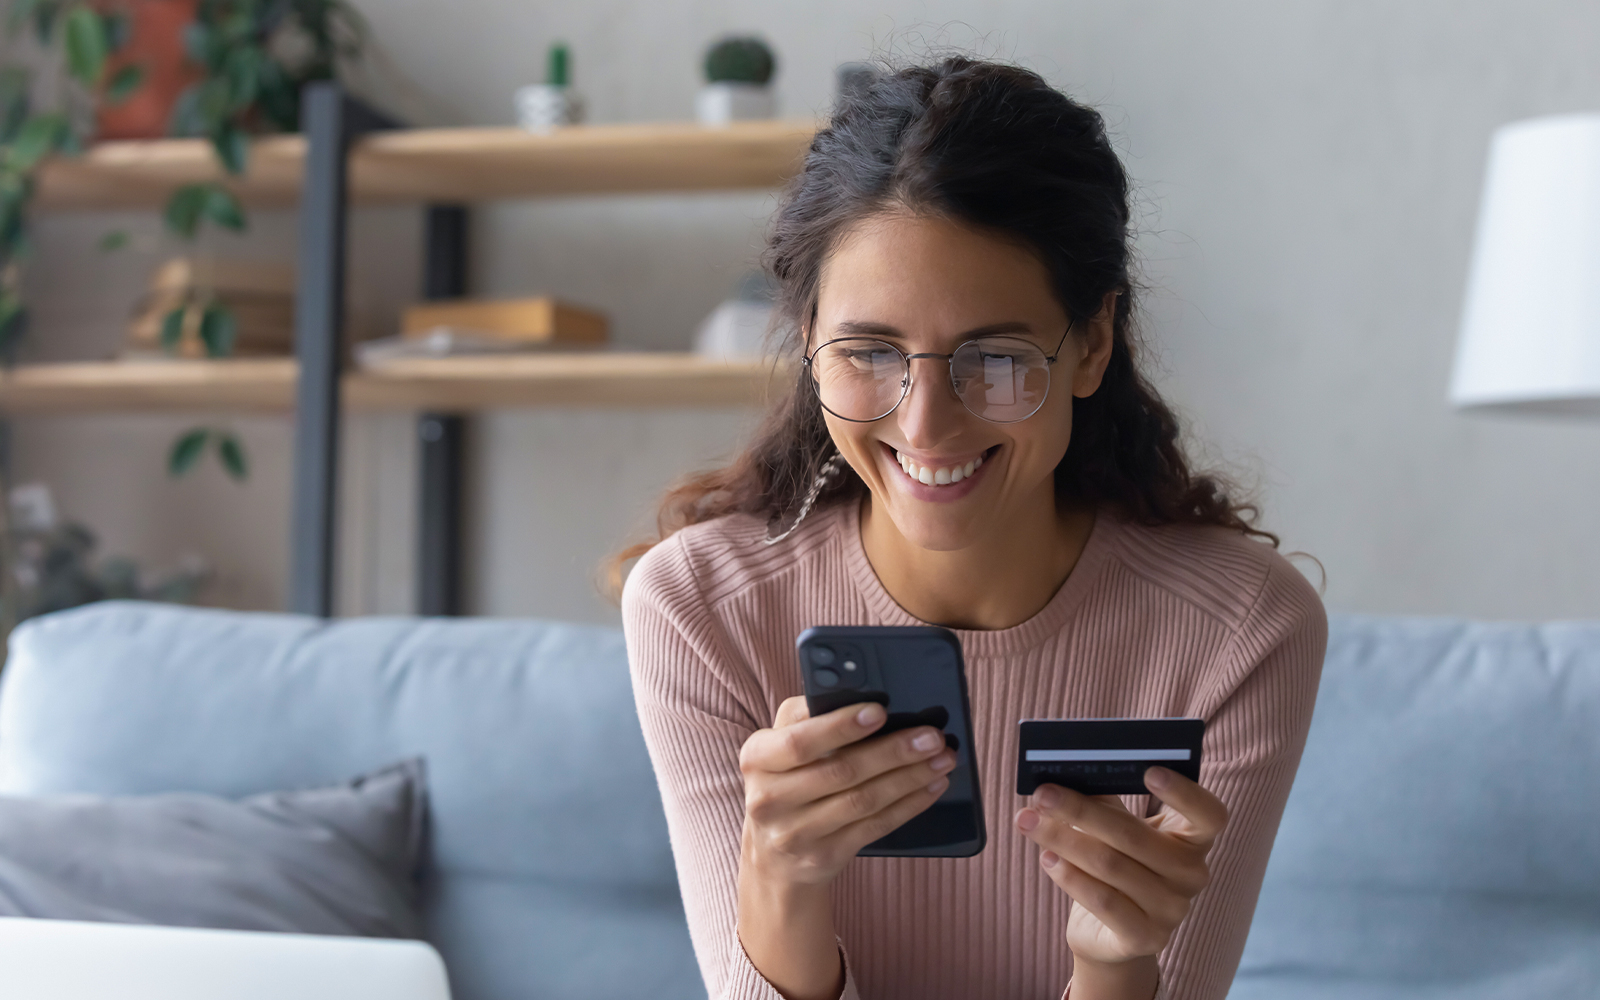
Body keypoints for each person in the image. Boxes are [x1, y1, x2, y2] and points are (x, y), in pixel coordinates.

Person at [618, 58, 1326, 1000]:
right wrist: (782, 883)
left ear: (1094, 344)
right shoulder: (700, 608)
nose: (925, 426)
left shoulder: (1239, 629)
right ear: (807, 341)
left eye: (994, 357)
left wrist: (1114, 962)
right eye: (869, 352)